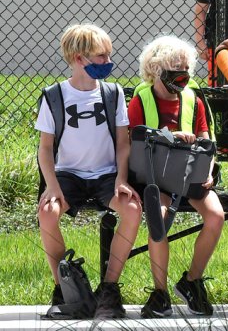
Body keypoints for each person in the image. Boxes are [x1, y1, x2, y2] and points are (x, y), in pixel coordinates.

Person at [35, 24, 142, 319]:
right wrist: (52, 186)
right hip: (68, 175)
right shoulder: (55, 95)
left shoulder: (113, 93)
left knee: (132, 209)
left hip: (106, 175)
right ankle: (64, 291)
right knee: (46, 212)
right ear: (79, 58)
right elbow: (45, 149)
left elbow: (123, 143)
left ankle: (109, 288)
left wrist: (121, 178)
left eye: (109, 54)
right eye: (101, 55)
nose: (108, 61)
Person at [127, 36, 225, 318]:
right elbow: (133, 138)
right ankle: (160, 293)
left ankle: (192, 281)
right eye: (174, 68)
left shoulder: (193, 100)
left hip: (189, 174)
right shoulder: (141, 99)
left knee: (216, 216)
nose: (181, 75)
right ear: (156, 69)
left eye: (185, 68)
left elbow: (207, 141)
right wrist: (169, 137)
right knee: (158, 218)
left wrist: (208, 171)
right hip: (155, 177)